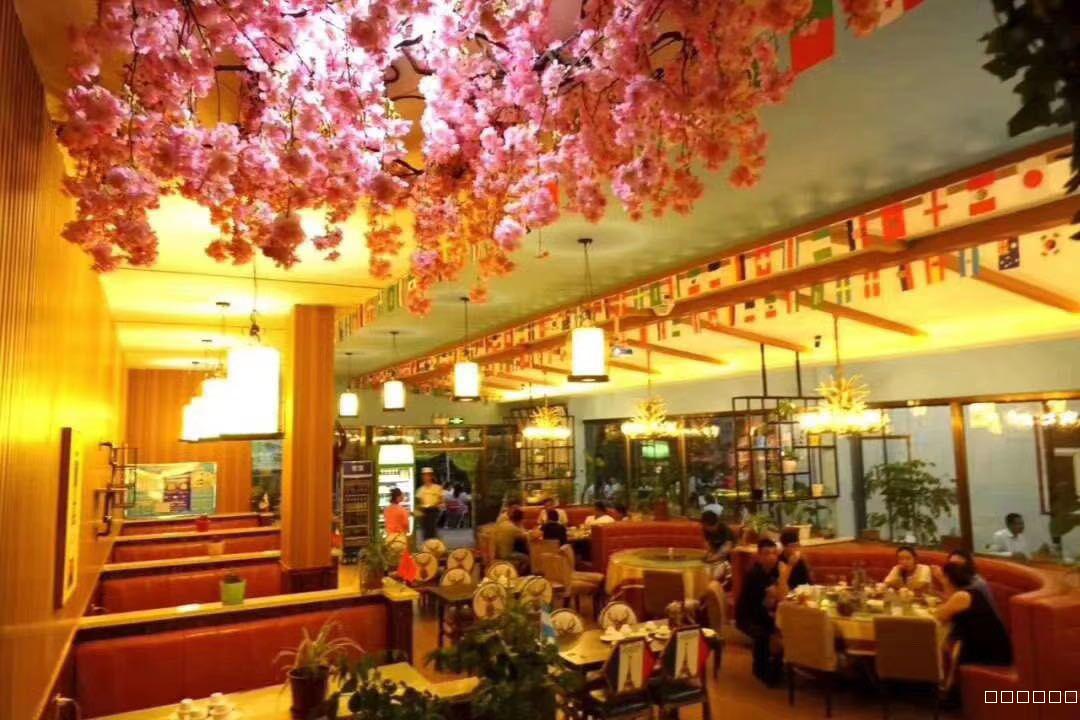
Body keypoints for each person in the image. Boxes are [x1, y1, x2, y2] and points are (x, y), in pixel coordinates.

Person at [935, 562, 1013, 667]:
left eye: (944, 577)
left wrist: (943, 585)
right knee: (946, 643)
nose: (942, 579)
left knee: (940, 646)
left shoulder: (962, 596)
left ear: (948, 578)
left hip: (990, 653)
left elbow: (940, 615)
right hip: (993, 648)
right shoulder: (972, 592)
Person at [735, 538, 782, 685]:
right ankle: (761, 670)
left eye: (774, 553)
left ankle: (776, 667)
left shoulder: (774, 572)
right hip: (748, 618)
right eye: (767, 553)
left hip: (762, 614)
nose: (771, 557)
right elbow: (755, 608)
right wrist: (772, 619)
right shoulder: (755, 575)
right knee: (766, 633)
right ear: (759, 556)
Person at [933, 549, 1001, 619]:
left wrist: (943, 579)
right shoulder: (962, 580)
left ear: (968, 567)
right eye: (951, 566)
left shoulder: (975, 584)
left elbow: (944, 611)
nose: (954, 570)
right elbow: (951, 601)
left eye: (958, 566)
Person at [493, 507, 531, 573]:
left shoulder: (502, 524)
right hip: (507, 555)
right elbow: (526, 537)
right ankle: (519, 574)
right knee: (527, 558)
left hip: (497, 554)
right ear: (519, 519)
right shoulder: (513, 528)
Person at [416, 467, 444, 541]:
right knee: (425, 532)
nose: (426, 477)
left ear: (431, 476)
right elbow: (419, 502)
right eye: (424, 476)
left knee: (432, 530)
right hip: (424, 511)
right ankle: (427, 544)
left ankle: (434, 543)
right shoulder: (420, 489)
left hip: (434, 510)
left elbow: (441, 500)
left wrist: (440, 505)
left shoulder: (437, 488)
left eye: (428, 475)